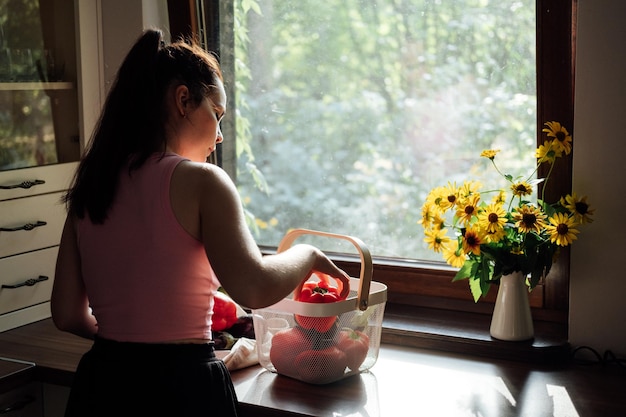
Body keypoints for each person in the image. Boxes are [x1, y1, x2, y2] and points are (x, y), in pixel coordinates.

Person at [51, 28, 350, 417]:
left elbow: (67, 314)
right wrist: (307, 254)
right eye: (217, 113)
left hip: (103, 383)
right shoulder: (202, 182)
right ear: (183, 100)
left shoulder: (93, 187)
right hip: (180, 388)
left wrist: (126, 344)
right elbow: (254, 287)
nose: (221, 135)